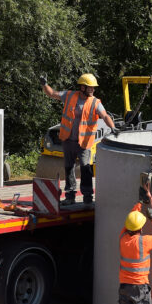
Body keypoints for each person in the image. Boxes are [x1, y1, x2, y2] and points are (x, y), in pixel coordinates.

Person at [40, 73, 116, 206]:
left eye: (93, 88)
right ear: (82, 87)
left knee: (86, 169)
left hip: (84, 143)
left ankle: (87, 197)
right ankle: (70, 196)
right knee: (69, 168)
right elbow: (52, 93)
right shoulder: (69, 96)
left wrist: (113, 127)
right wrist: (44, 84)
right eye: (90, 87)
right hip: (68, 140)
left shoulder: (95, 102)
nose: (92, 90)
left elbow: (105, 116)